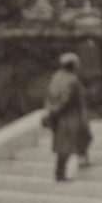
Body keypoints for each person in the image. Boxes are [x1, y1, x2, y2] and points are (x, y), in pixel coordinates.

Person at [43, 52, 92, 182]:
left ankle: (81, 159)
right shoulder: (71, 80)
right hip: (70, 116)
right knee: (67, 144)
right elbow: (66, 99)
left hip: (60, 116)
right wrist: (56, 110)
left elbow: (49, 96)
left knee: (77, 139)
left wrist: (50, 111)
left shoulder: (56, 77)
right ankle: (61, 173)